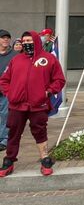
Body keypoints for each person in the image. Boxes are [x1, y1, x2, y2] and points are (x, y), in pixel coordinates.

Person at [0, 31, 65, 177]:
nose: (26, 43)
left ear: (36, 40)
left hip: (38, 105)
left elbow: (59, 80)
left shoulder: (49, 59)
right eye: (24, 41)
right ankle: (9, 160)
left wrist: (48, 92)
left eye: (29, 40)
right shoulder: (16, 60)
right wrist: (10, 93)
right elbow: (4, 80)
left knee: (40, 132)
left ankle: (44, 159)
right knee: (13, 133)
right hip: (17, 105)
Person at [0, 30, 19, 151]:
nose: (6, 39)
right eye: (3, 38)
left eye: (8, 37)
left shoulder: (15, 55)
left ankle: (4, 140)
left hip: (7, 90)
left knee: (5, 115)